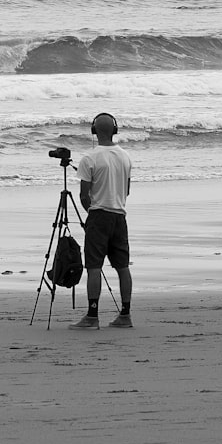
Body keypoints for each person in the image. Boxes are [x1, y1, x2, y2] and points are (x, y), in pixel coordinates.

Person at [69, 112, 134, 330]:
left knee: (94, 266)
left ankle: (92, 316)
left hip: (99, 215)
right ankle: (125, 314)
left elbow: (84, 196)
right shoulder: (125, 156)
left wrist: (91, 214)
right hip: (120, 216)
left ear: (94, 131)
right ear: (114, 130)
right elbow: (127, 190)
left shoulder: (90, 158)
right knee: (122, 266)